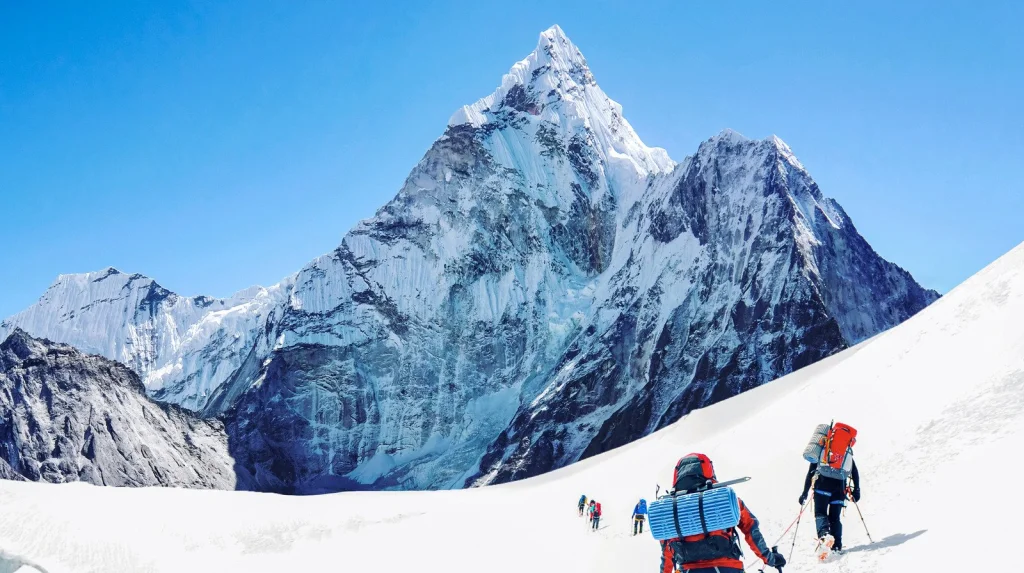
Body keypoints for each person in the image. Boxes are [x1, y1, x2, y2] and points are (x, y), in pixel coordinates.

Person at [659, 453, 786, 573]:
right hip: (728, 568)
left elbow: (666, 551)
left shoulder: (671, 510)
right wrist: (770, 559)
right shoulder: (726, 500)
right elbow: (751, 530)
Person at [798, 456, 860, 553]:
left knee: (820, 513)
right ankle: (836, 547)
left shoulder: (822, 450)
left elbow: (811, 471)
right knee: (835, 518)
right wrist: (856, 490)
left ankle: (825, 535)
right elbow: (854, 471)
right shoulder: (845, 451)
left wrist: (805, 492)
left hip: (822, 486)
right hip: (839, 488)